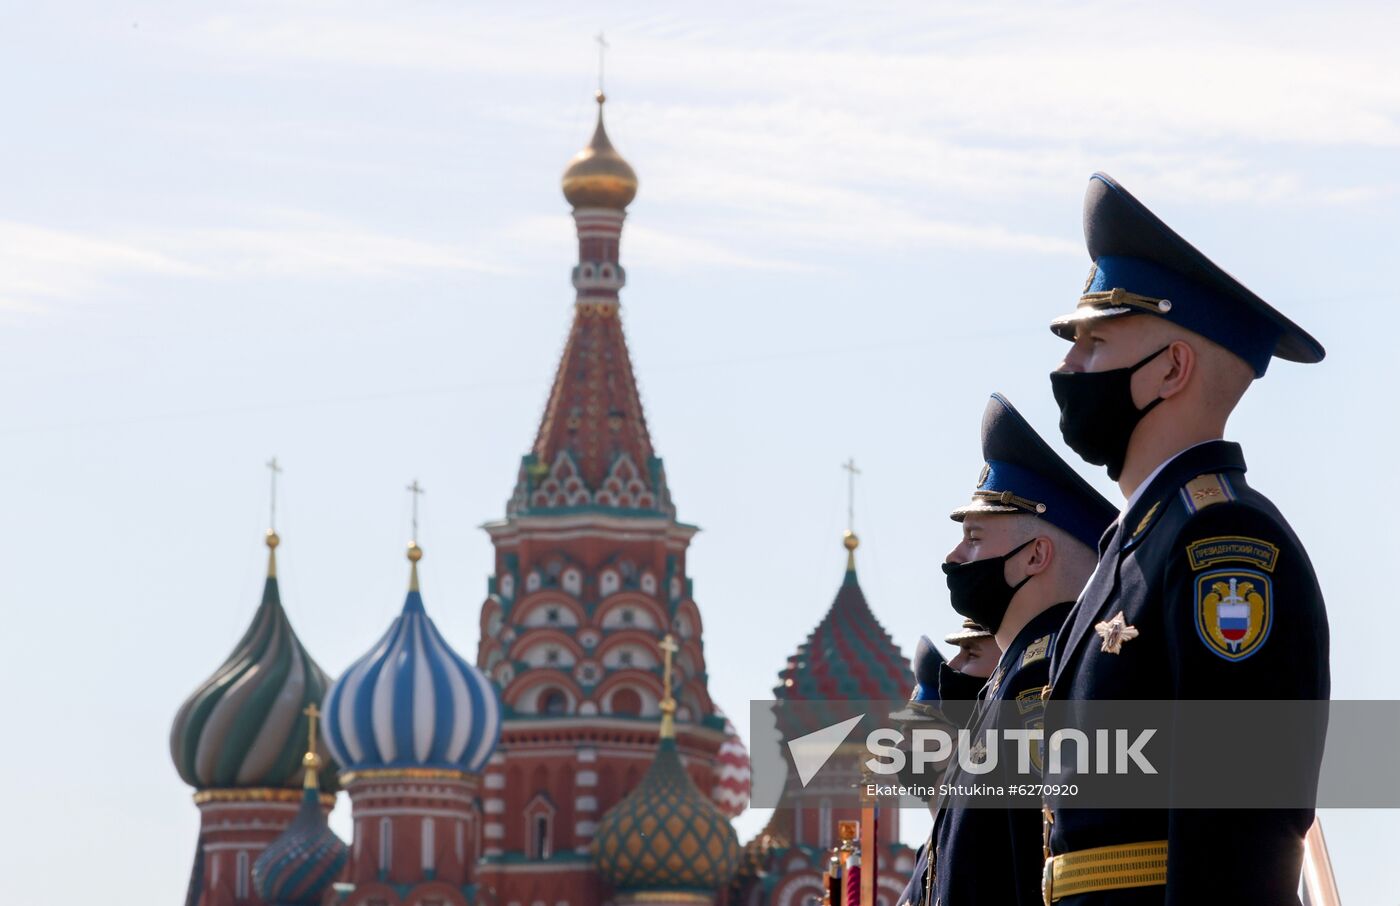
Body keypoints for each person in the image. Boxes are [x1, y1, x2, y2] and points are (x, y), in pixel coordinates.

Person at [1041, 173, 1330, 904]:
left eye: (1094, 343)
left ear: (1172, 368)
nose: (1066, 368)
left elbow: (1239, 831)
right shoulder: (1133, 549)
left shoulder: (1221, 542)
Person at [928, 393, 1116, 906]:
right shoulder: (1007, 682)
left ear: (1035, 555)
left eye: (973, 538)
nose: (954, 556)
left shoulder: (1041, 681)